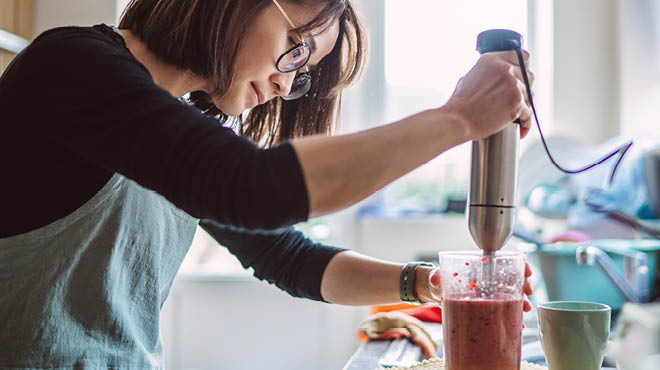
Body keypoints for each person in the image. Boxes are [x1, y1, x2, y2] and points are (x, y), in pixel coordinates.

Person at [0, 0, 534, 368]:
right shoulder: (71, 64)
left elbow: (288, 258)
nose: (285, 82)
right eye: (296, 46)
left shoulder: (187, 127)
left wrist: (426, 283)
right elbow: (255, 188)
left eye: (302, 72)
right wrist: (459, 117)